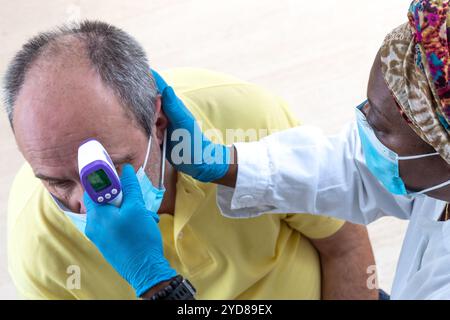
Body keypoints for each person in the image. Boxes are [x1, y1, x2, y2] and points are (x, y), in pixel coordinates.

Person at [4, 21, 377, 299]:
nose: (88, 202)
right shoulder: (37, 248)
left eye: (110, 168)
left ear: (159, 121)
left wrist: (235, 168)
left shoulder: (245, 119)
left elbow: (344, 245)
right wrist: (150, 279)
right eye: (57, 181)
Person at [158, 0, 450, 300]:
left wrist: (161, 290)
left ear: (441, 150)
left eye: (380, 125)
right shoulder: (431, 172)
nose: (362, 121)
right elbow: (350, 167)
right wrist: (223, 163)